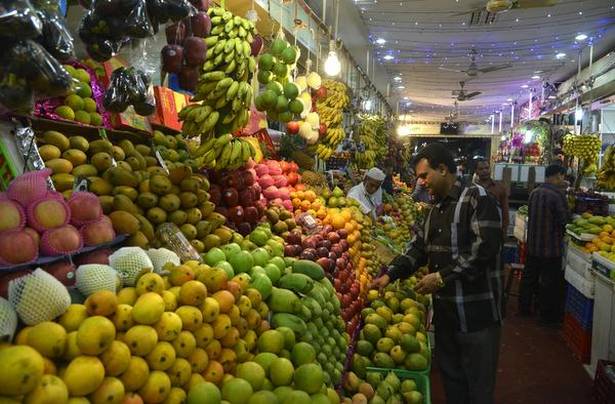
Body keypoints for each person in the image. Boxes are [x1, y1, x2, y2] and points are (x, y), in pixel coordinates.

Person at [371, 143, 504, 404]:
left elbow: (485, 249)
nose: (420, 183)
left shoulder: (477, 198)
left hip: (476, 315)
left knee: (478, 388)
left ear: (443, 169)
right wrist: (391, 274)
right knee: (452, 381)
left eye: (424, 176)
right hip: (446, 315)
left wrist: (441, 277)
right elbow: (418, 247)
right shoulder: (434, 208)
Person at [519, 164, 569, 326]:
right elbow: (563, 220)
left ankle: (524, 308)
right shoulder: (557, 195)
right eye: (562, 176)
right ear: (557, 175)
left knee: (529, 278)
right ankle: (546, 317)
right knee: (549, 283)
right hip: (550, 248)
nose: (563, 180)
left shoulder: (534, 192)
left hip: (533, 245)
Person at [474, 158, 510, 235]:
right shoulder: (473, 189)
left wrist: (504, 230)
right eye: (481, 169)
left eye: (487, 168)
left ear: (490, 169)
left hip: (495, 231)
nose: (484, 171)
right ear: (476, 171)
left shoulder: (500, 188)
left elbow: (505, 211)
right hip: (476, 231)